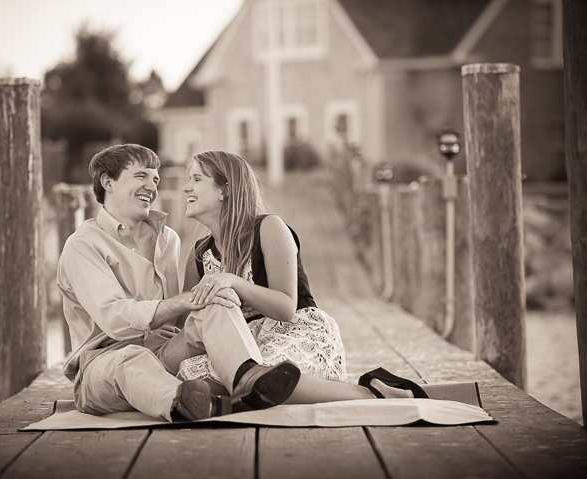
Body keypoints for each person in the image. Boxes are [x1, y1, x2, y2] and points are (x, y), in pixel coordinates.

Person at [56, 144, 304, 423]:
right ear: (107, 181)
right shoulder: (84, 245)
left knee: (214, 301)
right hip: (103, 363)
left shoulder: (167, 239)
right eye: (141, 176)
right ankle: (190, 403)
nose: (152, 185)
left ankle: (247, 376)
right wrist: (186, 300)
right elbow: (115, 319)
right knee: (130, 361)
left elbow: (182, 319)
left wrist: (209, 301)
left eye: (155, 179)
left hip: (162, 351)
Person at [179, 150, 422, 402]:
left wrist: (234, 282)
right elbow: (187, 327)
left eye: (197, 179)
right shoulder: (198, 256)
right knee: (188, 374)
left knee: (265, 378)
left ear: (224, 189)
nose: (186, 187)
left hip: (294, 330)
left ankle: (370, 392)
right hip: (242, 345)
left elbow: (286, 307)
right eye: (188, 179)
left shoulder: (268, 228)